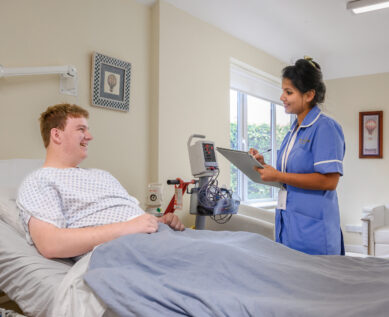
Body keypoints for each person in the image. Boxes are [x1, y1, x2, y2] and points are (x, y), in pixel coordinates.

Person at [17, 104, 185, 259]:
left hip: (162, 237)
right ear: (56, 135)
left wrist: (159, 222)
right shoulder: (40, 181)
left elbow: (135, 219)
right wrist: (127, 228)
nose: (89, 137)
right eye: (81, 129)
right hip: (125, 249)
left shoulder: (102, 175)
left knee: (210, 245)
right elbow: (50, 244)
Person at [250, 57, 345, 255]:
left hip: (314, 232)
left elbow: (329, 181)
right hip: (289, 225)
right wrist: (264, 166)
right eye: (283, 91)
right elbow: (287, 177)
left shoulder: (325, 127)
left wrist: (279, 176)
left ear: (309, 95)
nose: (282, 97)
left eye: (289, 92)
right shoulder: (293, 131)